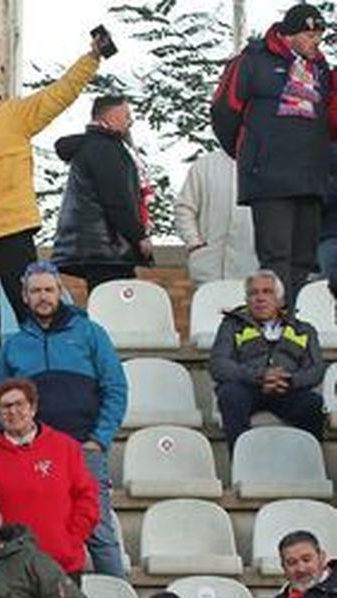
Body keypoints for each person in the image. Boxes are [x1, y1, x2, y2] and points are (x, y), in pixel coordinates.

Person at [0, 43, 100, 388]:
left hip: (12, 230)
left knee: (30, 315)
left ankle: (42, 387)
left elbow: (60, 93)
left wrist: (91, 58)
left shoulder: (17, 114)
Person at [0, 262, 127, 577]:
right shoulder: (13, 345)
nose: (43, 297)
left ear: (59, 292)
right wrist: (10, 443)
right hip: (33, 452)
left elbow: (116, 388)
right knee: (36, 532)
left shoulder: (90, 333)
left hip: (83, 448)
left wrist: (99, 439)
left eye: (48, 290)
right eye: (36, 291)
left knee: (99, 532)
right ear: (25, 296)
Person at [211, 5, 335, 303]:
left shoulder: (320, 68)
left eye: (319, 36)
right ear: (289, 34)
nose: (316, 42)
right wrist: (249, 153)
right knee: (276, 257)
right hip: (269, 178)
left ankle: (291, 320)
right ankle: (274, 324)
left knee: (304, 259)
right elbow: (224, 110)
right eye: (310, 35)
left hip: (311, 177)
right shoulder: (252, 61)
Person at [0, 378, 100, 576]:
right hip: (6, 568)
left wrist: (71, 538)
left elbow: (87, 497)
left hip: (62, 565)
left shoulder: (66, 448)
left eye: (19, 404)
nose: (13, 412)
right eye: (5, 407)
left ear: (33, 408)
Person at [208, 269, 327, 446]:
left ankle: (309, 460)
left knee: (314, 403)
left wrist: (289, 380)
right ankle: (240, 459)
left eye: (267, 292)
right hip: (247, 387)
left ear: (280, 300)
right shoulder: (231, 326)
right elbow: (219, 365)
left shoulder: (304, 329)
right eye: (253, 293)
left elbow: (316, 369)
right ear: (247, 300)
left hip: (288, 389)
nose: (260, 298)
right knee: (230, 395)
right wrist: (260, 376)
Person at [49, 95, 154, 288]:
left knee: (103, 299)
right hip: (108, 249)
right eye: (126, 115)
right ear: (112, 117)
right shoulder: (106, 149)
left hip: (93, 248)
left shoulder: (91, 147)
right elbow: (116, 199)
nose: (130, 121)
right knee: (114, 301)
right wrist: (138, 235)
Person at [176, 148, 258, 285]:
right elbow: (184, 208)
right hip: (209, 266)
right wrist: (193, 242)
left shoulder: (268, 165)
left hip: (252, 268)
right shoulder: (205, 165)